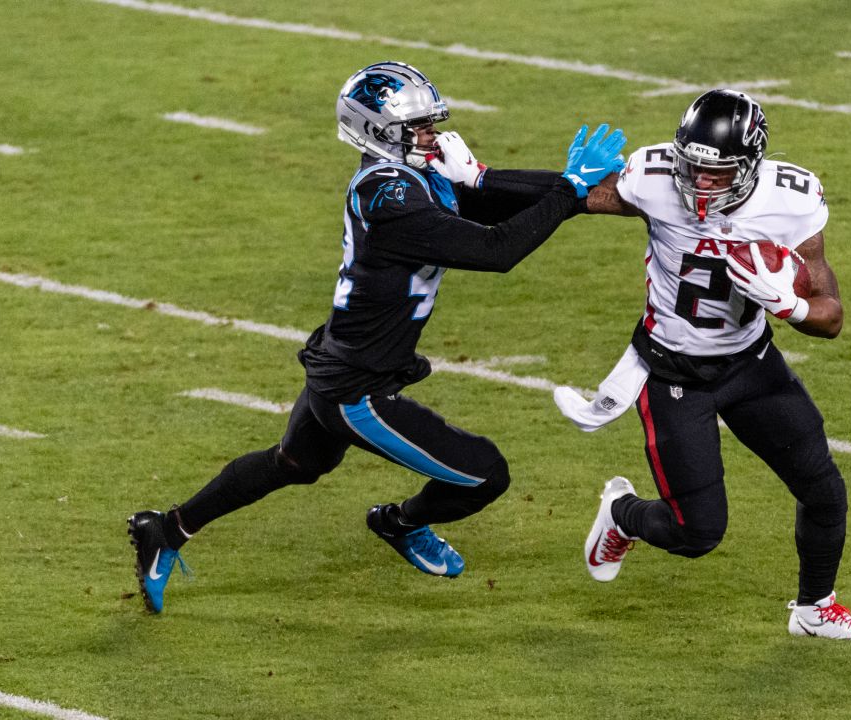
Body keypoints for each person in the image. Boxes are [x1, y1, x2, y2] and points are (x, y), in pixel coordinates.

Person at [126, 60, 627, 613]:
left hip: (344, 359)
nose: (433, 137)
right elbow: (495, 251)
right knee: (485, 476)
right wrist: (568, 190)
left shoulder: (406, 179)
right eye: (421, 127)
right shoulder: (388, 197)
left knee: (294, 464)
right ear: (378, 130)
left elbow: (498, 200)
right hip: (356, 388)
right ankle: (400, 523)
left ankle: (165, 530)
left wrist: (561, 189)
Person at [575, 89, 851, 642]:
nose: (699, 183)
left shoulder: (790, 201)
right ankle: (622, 513)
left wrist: (789, 305)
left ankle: (815, 608)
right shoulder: (655, 180)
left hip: (750, 363)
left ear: (750, 167)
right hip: (675, 375)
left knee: (823, 491)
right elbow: (568, 199)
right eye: (692, 167)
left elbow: (831, 316)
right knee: (696, 533)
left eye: (716, 173)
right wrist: (477, 181)